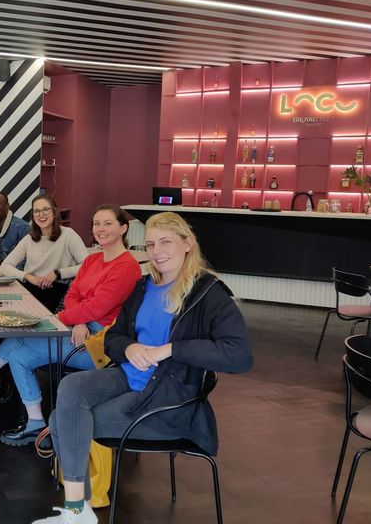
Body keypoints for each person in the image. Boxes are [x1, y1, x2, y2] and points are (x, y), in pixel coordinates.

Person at [31, 212, 253, 524]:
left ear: (187, 243)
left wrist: (171, 349)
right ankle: (78, 510)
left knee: (62, 420)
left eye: (165, 242)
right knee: (70, 388)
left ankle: (77, 511)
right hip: (128, 377)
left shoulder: (207, 293)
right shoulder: (143, 286)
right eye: (150, 244)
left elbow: (240, 355)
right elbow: (114, 338)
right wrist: (130, 347)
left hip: (167, 398)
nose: (157, 251)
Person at [0, 205, 141, 446]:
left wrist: (61, 319)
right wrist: (77, 320)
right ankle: (33, 422)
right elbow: (72, 295)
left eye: (108, 223)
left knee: (19, 348)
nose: (100, 229)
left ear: (123, 228)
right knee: (19, 349)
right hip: (78, 327)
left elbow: (97, 308)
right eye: (96, 223)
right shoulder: (92, 260)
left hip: (99, 343)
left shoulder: (126, 266)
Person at [0, 194, 88, 312]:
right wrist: (29, 277)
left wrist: (58, 273)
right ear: (33, 216)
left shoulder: (68, 235)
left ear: (54, 212)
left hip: (58, 290)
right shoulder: (29, 239)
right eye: (37, 211)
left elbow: (87, 265)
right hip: (31, 288)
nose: (41, 214)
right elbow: (4, 267)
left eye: (46, 209)